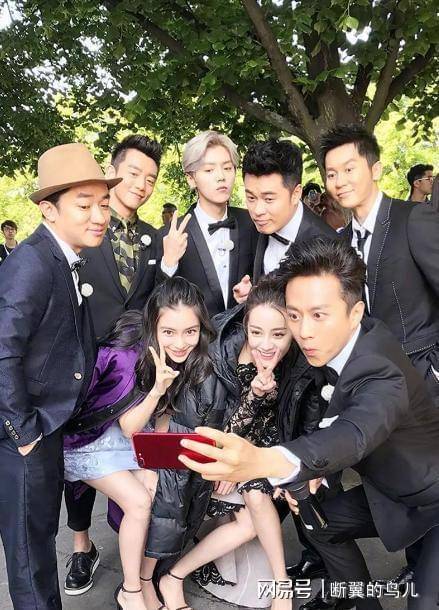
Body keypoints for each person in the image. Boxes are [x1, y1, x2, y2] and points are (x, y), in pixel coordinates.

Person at [180, 238, 439, 610]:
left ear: (355, 312)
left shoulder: (381, 370)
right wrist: (317, 470)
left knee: (425, 602)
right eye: (294, 316)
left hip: (433, 495)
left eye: (319, 315)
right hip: (387, 492)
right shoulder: (327, 347)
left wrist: (265, 460)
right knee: (318, 523)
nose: (304, 331)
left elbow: (355, 431)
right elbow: (324, 420)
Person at [63, 276, 239, 610]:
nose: (181, 343)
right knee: (139, 502)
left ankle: (144, 582)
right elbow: (130, 426)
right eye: (169, 332)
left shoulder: (189, 355)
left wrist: (156, 461)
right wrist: (158, 389)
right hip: (86, 439)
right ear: (153, 325)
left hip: (128, 435)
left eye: (190, 331)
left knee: (157, 483)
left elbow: (160, 419)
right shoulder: (128, 356)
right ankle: (130, 592)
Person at [0, 142, 117, 610]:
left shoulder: (63, 256)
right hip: (24, 435)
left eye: (103, 204)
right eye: (84, 205)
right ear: (48, 209)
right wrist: (23, 431)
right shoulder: (30, 262)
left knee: (41, 542)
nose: (99, 216)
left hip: (47, 426)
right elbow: (2, 351)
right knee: (29, 556)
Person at [63, 134, 164, 596]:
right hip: (83, 365)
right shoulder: (84, 227)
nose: (141, 184)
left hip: (129, 371)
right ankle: (82, 546)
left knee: (132, 459)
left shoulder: (155, 239)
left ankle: (137, 558)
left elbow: (153, 302)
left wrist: (168, 264)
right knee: (77, 461)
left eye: (151, 178)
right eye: (134, 173)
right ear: (113, 171)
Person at [159, 279, 294, 610]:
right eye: (257, 332)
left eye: (279, 334)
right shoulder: (220, 357)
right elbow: (218, 427)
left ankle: (280, 587)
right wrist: (255, 396)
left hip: (271, 446)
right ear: (245, 325)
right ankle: (174, 577)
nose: (266, 344)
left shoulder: (300, 356)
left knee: (255, 503)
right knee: (252, 510)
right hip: (228, 442)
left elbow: (295, 419)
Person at [320, 125, 439, 407]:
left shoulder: (413, 218)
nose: (339, 181)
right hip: (374, 387)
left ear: (375, 170)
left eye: (349, 169)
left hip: (424, 376)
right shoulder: (341, 242)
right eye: (332, 174)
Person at [158, 130, 258, 317]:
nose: (221, 176)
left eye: (227, 168)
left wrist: (254, 290)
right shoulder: (170, 234)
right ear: (191, 178)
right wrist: (169, 264)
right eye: (209, 170)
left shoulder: (252, 222)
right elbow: (158, 304)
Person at [233, 139, 336, 304]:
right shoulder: (253, 229)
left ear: (296, 194)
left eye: (268, 199)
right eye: (251, 198)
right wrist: (253, 296)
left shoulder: (328, 247)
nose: (257, 210)